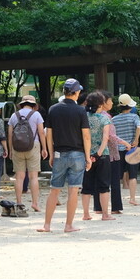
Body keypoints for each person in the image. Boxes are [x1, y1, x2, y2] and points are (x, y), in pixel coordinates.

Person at [38, 78, 91, 233]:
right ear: (76, 92)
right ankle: (68, 225)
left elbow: (49, 135)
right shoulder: (81, 111)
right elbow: (86, 136)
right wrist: (88, 157)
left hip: (59, 153)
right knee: (73, 190)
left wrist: (51, 153)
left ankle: (46, 225)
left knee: (54, 189)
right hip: (77, 154)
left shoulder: (53, 109)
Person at [81, 91, 116, 222]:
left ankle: (85, 214)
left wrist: (89, 154)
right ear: (101, 104)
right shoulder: (104, 118)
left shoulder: (83, 117)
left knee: (86, 186)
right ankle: (105, 214)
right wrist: (99, 153)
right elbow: (105, 138)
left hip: (86, 155)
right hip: (102, 155)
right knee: (104, 186)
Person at [8, 95, 46, 212]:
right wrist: (44, 148)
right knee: (33, 177)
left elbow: (10, 134)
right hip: (33, 146)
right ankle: (35, 203)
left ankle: (19, 203)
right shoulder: (36, 115)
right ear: (34, 105)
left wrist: (10, 150)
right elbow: (41, 133)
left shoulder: (14, 115)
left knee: (19, 177)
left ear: (22, 104)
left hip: (17, 148)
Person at [112, 94, 140, 206]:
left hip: (118, 149)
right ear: (130, 106)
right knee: (133, 175)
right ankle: (132, 198)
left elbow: (113, 135)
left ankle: (116, 199)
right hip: (132, 149)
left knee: (117, 176)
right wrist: (136, 140)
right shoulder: (134, 117)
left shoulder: (114, 119)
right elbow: (138, 127)